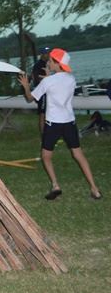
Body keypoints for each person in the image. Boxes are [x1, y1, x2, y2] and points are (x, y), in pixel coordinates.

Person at [18, 48, 102, 200]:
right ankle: (94, 189)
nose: (48, 63)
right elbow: (58, 84)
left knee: (46, 156)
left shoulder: (48, 81)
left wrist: (26, 86)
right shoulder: (71, 79)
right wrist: (49, 77)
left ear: (57, 63)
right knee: (78, 154)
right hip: (69, 122)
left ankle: (56, 185)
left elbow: (30, 98)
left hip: (53, 124)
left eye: (50, 61)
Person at [31, 47, 50, 134]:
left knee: (47, 114)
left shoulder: (47, 63)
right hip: (41, 92)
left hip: (47, 91)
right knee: (42, 114)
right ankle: (43, 136)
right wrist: (48, 78)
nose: (48, 55)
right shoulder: (38, 65)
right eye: (46, 53)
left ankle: (48, 133)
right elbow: (35, 77)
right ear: (42, 54)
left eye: (48, 53)